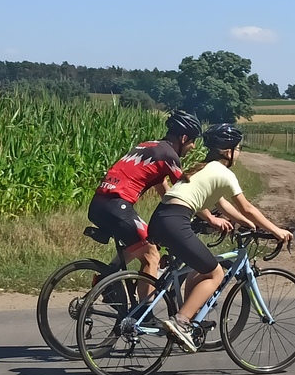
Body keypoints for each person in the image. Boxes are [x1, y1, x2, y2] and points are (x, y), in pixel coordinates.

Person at [147, 122, 293, 353]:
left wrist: (247, 224)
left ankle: (188, 316)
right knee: (216, 272)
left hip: (162, 218)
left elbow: (221, 204)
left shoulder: (200, 168)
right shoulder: (224, 173)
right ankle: (181, 321)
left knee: (199, 269)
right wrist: (277, 231)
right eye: (238, 148)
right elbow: (247, 207)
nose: (240, 152)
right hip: (177, 220)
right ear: (228, 151)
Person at [88, 110, 221, 280]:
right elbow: (185, 192)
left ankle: (107, 278)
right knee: (151, 255)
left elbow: (165, 191)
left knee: (144, 239)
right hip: (116, 206)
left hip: (99, 204)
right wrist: (210, 218)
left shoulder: (149, 146)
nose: (193, 146)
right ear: (183, 138)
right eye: (193, 141)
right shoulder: (169, 156)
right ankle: (145, 306)